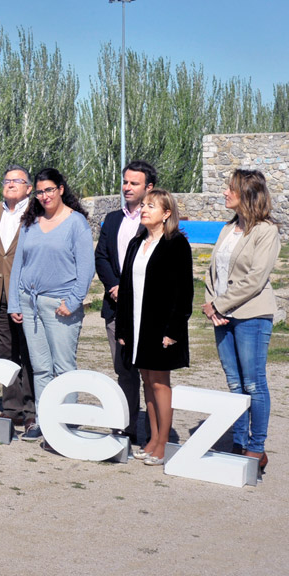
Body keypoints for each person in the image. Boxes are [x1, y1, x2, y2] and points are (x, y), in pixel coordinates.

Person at [7, 168, 94, 442]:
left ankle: (66, 423)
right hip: (29, 303)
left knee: (63, 367)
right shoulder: (30, 222)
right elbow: (19, 264)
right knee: (41, 368)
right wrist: (14, 302)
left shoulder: (76, 223)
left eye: (49, 190)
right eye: (40, 191)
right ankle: (45, 421)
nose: (44, 196)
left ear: (61, 189)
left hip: (61, 306)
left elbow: (86, 268)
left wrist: (73, 301)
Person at [203, 169, 281, 472]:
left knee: (253, 383)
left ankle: (256, 448)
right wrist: (212, 306)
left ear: (247, 194)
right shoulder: (228, 228)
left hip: (251, 316)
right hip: (222, 316)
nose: (225, 192)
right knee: (234, 383)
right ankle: (238, 442)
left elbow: (255, 279)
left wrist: (219, 305)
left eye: (231, 188)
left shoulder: (266, 231)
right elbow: (213, 271)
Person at [115, 189, 193, 466]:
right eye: (144, 205)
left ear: (166, 213)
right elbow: (125, 288)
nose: (144, 209)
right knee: (147, 380)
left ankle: (163, 443)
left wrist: (173, 331)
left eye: (151, 206)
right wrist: (123, 329)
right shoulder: (137, 242)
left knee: (160, 382)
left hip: (161, 328)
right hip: (136, 325)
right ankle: (153, 438)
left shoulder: (176, 244)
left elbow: (184, 292)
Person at [95, 160, 156, 442]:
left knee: (150, 374)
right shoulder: (112, 219)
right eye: (125, 182)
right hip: (116, 307)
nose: (127, 187)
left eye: (134, 183)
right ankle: (127, 428)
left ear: (149, 187)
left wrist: (131, 290)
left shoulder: (155, 220)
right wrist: (114, 286)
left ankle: (155, 435)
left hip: (146, 308)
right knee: (124, 371)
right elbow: (101, 257)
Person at [0, 165, 35, 430]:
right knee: (5, 353)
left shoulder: (37, 212)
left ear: (29, 188)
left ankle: (31, 409)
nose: (11, 184)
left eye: (17, 180)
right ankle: (11, 408)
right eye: (7, 180)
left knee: (28, 353)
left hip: (26, 294)